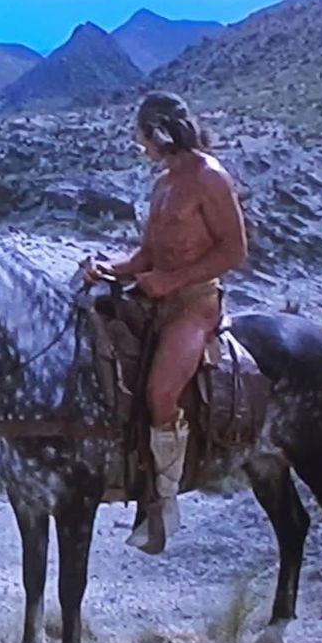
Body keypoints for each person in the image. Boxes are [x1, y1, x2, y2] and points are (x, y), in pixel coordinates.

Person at [80, 92, 248, 553]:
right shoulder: (163, 185)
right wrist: (109, 267)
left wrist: (171, 280)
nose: (142, 149)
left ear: (158, 132)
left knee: (160, 392)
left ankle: (165, 501)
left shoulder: (210, 178)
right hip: (155, 297)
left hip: (194, 303)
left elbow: (234, 251)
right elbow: (146, 255)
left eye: (142, 139)